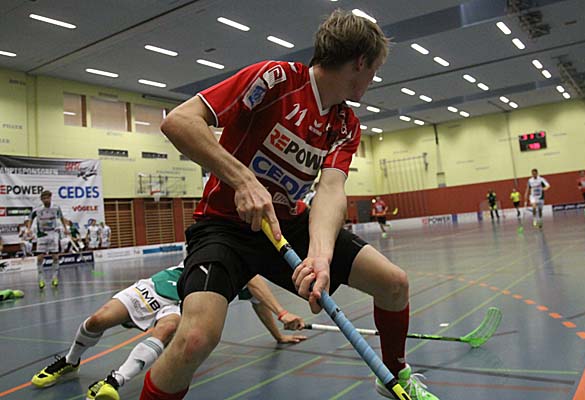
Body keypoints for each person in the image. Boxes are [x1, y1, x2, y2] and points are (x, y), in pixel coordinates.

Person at [141, 10, 438, 400]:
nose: (373, 79)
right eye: (374, 70)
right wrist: (243, 179)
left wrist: (320, 257)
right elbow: (180, 121)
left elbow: (330, 190)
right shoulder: (275, 79)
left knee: (394, 283)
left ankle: (393, 376)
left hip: (286, 227)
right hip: (224, 227)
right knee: (195, 339)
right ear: (360, 62)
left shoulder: (345, 124)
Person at [31, 263, 306, 400]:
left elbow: (259, 301)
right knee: (97, 320)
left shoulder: (245, 282)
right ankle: (70, 361)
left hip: (180, 305)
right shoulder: (229, 255)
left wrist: (279, 335)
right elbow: (255, 282)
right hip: (158, 287)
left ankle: (113, 382)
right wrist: (283, 312)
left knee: (168, 328)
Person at [26, 190, 69, 288]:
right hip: (42, 234)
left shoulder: (56, 207)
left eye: (47, 198)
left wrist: (65, 228)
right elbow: (30, 218)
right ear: (41, 199)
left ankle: (55, 278)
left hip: (53, 233)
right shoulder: (37, 209)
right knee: (40, 258)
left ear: (50, 197)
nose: (46, 200)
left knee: (55, 257)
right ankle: (41, 279)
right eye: (44, 198)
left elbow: (62, 218)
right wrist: (28, 229)